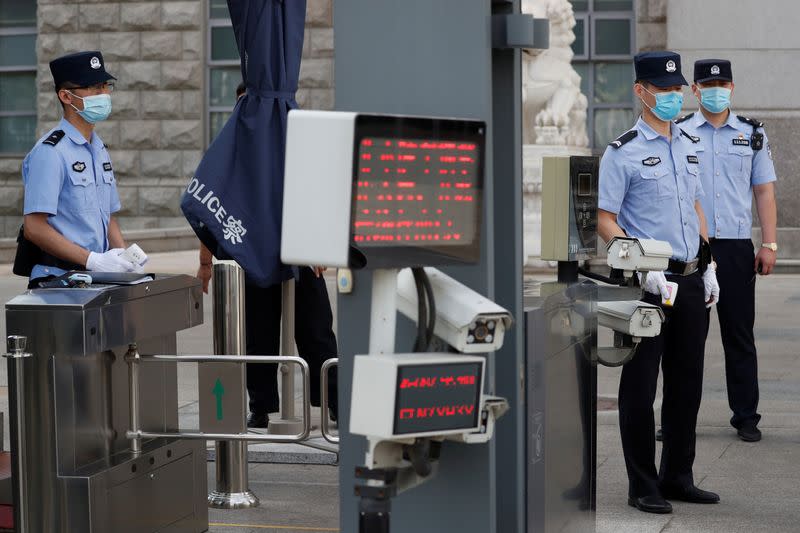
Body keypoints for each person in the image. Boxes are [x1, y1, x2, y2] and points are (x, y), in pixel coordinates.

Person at [598, 51, 721, 514]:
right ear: (640, 91)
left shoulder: (688, 141)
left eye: (675, 90)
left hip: (688, 281)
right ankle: (642, 484)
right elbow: (605, 220)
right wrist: (640, 263)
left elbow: (695, 207)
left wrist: (707, 262)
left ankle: (678, 476)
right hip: (646, 284)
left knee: (687, 384)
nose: (670, 97)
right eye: (662, 90)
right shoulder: (622, 150)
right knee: (641, 387)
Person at [197, 82, 338, 429]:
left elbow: (318, 196)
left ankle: (335, 402)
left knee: (316, 331)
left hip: (300, 255)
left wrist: (320, 246)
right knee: (257, 334)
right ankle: (261, 405)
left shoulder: (298, 144)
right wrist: (204, 263)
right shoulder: (231, 152)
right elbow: (211, 209)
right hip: (251, 256)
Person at [674, 59, 778, 442]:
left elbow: (764, 190)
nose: (715, 89)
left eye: (722, 83)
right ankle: (677, 419)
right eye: (708, 84)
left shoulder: (751, 134)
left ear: (732, 88)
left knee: (739, 334)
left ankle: (746, 417)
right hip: (691, 245)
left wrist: (768, 243)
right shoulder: (680, 132)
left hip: (735, 248)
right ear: (695, 90)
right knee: (686, 337)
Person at [18, 51, 139, 282]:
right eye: (94, 88)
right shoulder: (50, 151)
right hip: (58, 279)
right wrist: (92, 260)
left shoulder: (98, 148)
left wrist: (125, 260)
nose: (103, 94)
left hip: (94, 278)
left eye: (105, 86)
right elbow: (34, 227)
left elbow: (108, 217)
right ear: (66, 96)